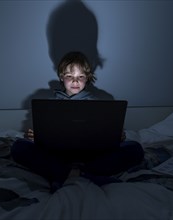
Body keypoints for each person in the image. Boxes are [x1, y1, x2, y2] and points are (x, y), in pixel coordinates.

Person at [11, 51, 144, 193]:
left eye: (80, 77)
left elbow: (106, 134)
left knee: (134, 148)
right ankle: (82, 174)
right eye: (70, 76)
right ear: (62, 77)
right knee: (19, 146)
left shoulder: (98, 105)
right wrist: (34, 136)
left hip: (92, 155)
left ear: (87, 78)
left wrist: (117, 136)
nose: (75, 81)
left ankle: (73, 174)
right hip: (57, 154)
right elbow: (41, 134)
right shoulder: (50, 105)